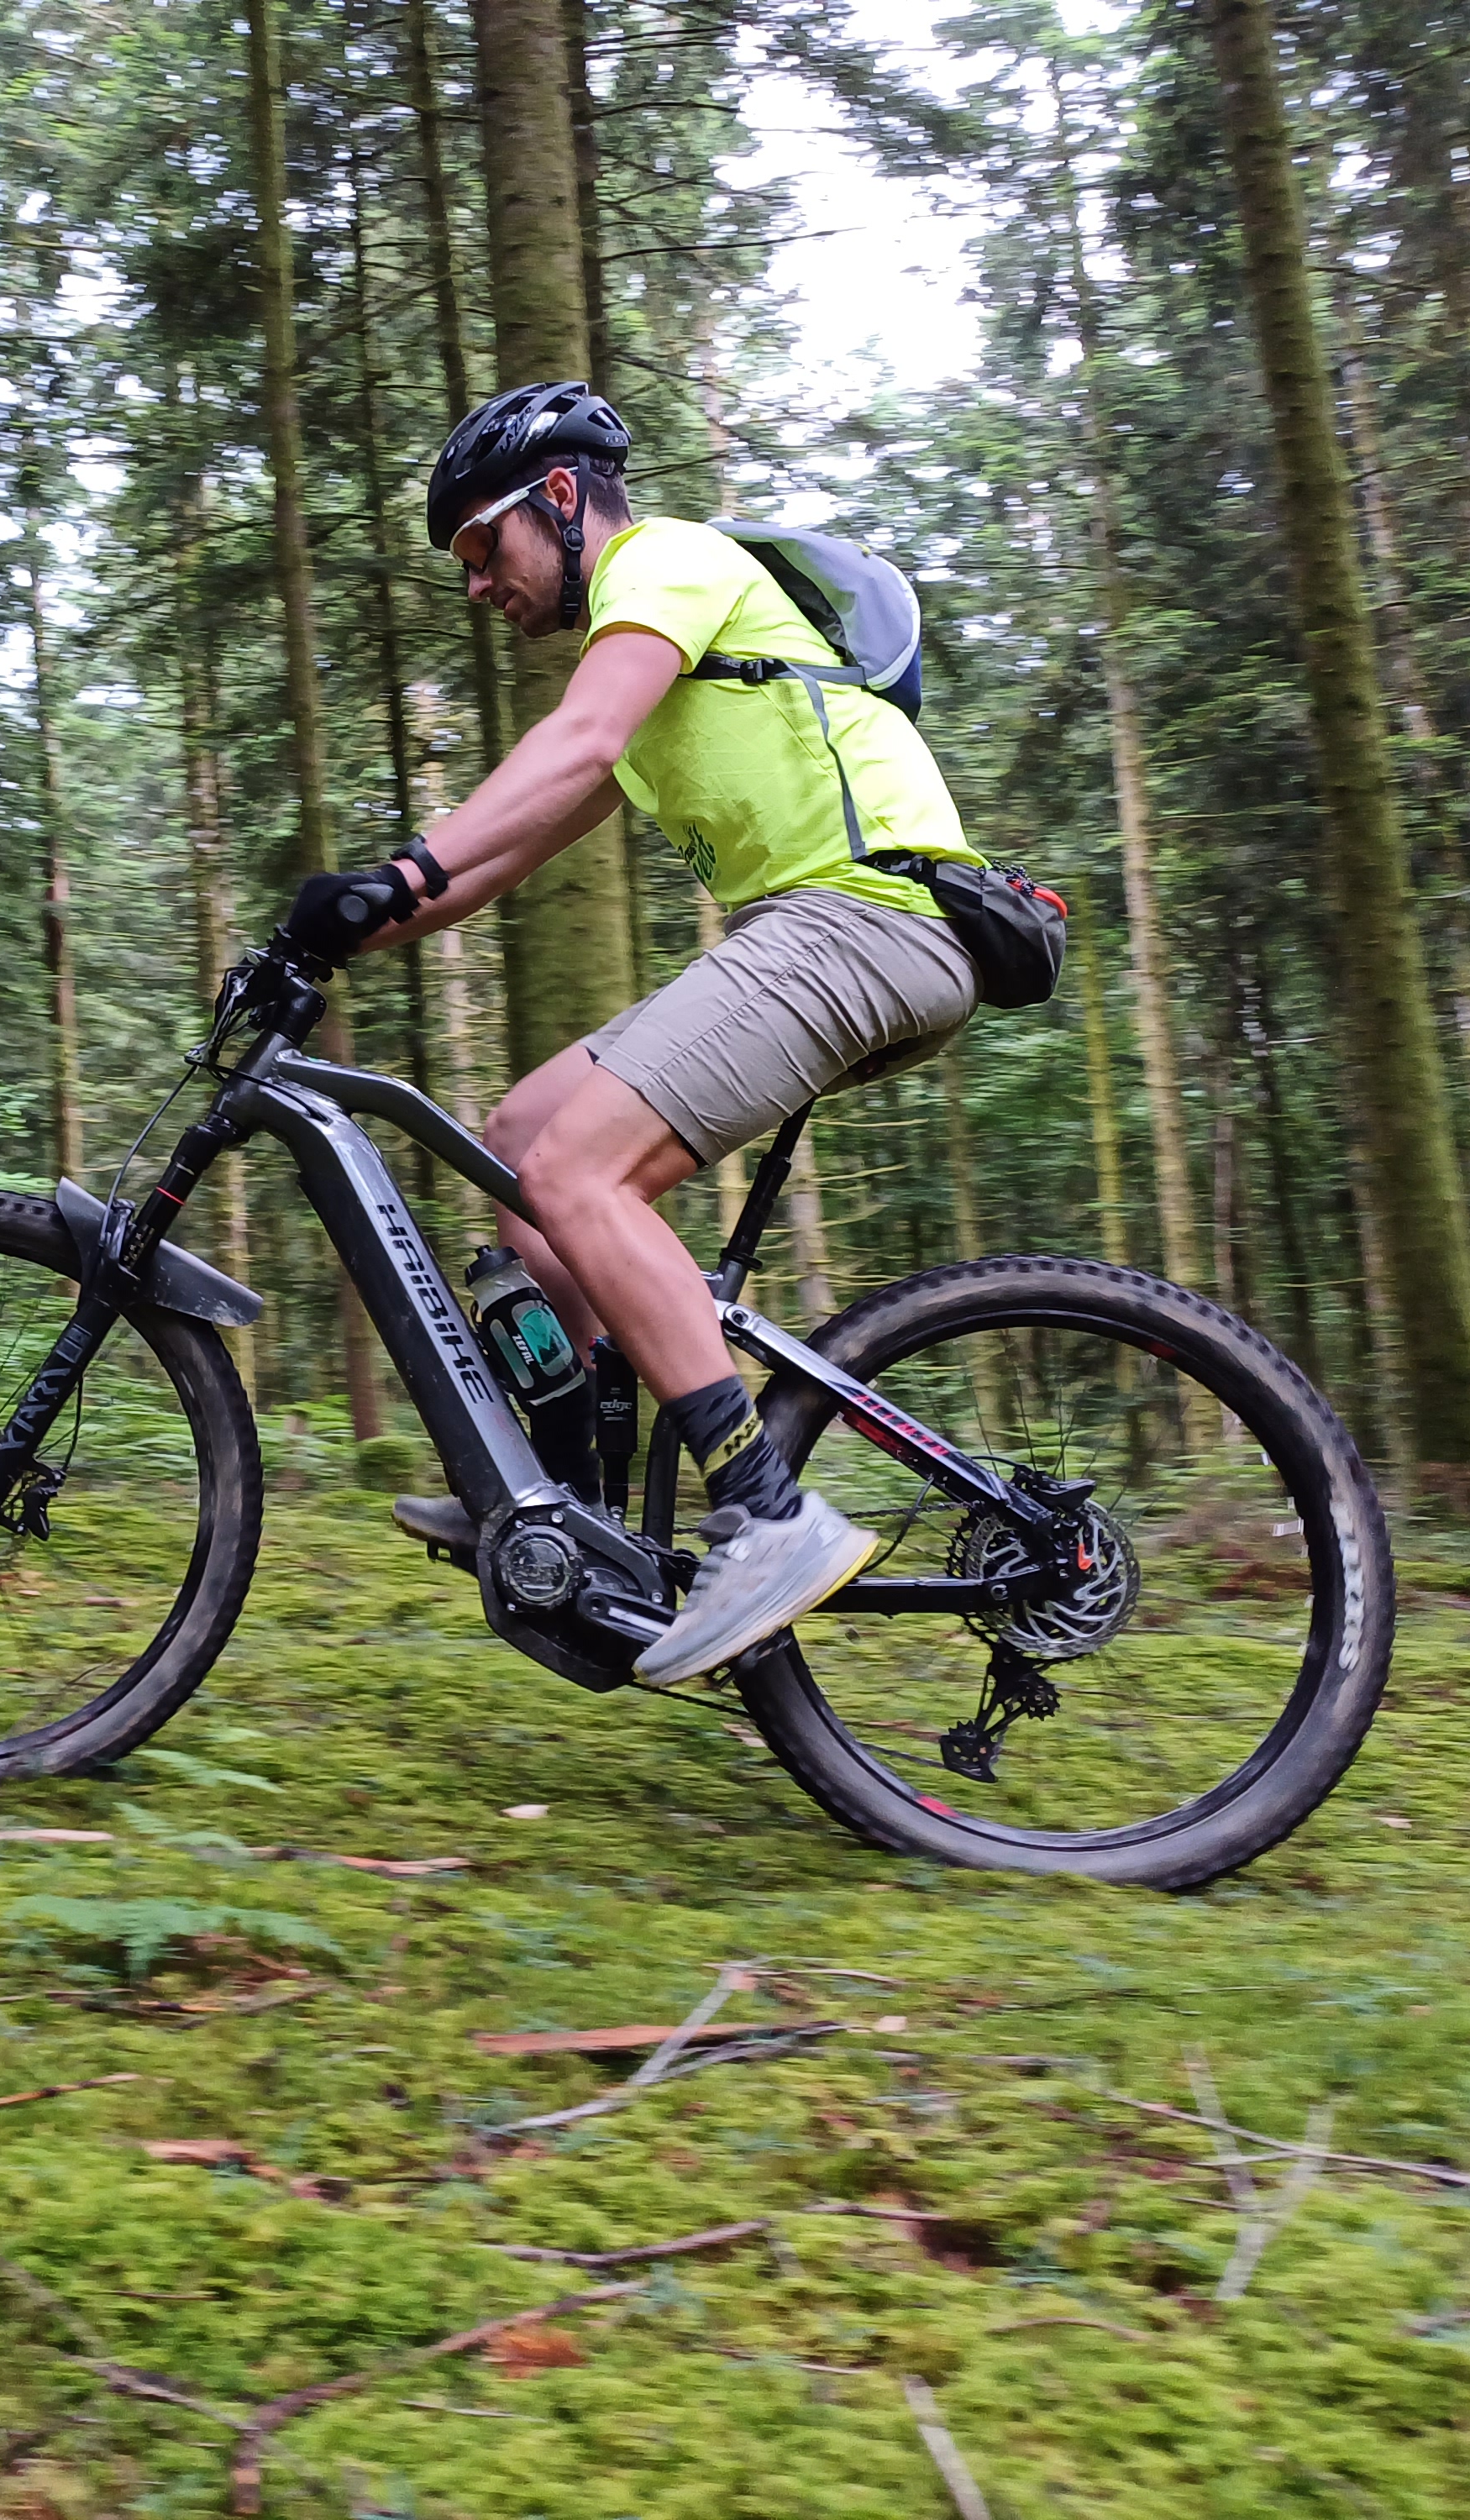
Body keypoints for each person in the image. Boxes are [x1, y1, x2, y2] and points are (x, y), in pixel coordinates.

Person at [280, 379, 987, 1687]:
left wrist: (400, 867)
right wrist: (340, 932)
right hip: (836, 929)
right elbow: (506, 852)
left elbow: (571, 740)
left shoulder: (667, 562)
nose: (479, 589)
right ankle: (574, 1502)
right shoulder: (653, 678)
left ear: (561, 498)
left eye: (483, 548)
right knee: (521, 1144)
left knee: (574, 1172)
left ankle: (768, 1514)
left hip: (868, 918)